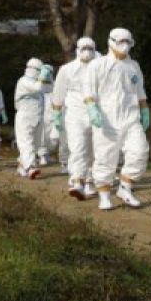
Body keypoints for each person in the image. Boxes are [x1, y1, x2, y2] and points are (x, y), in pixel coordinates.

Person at [84, 28, 149, 211]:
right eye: (121, 42)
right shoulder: (97, 65)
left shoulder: (133, 66)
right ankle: (104, 195)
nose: (125, 46)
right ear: (110, 42)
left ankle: (125, 187)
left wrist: (144, 110)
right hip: (107, 119)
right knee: (105, 157)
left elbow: (139, 91)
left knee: (140, 151)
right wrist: (92, 109)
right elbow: (89, 91)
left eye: (128, 42)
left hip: (131, 117)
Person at [53, 37, 100, 200]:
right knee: (78, 146)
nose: (86, 51)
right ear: (77, 50)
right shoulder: (67, 69)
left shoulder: (102, 66)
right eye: (83, 48)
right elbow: (58, 92)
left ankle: (91, 180)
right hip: (75, 112)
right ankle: (77, 180)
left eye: (90, 48)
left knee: (95, 148)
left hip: (97, 111)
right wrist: (57, 113)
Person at [13, 58, 46, 179]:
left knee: (35, 144)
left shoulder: (39, 82)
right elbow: (37, 88)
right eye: (39, 70)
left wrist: (48, 76)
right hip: (25, 115)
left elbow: (47, 89)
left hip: (38, 116)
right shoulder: (24, 81)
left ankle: (22, 166)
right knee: (26, 142)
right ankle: (31, 167)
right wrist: (43, 76)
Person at [37, 63, 57, 167]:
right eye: (46, 72)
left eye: (50, 72)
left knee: (54, 138)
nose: (48, 74)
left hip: (53, 114)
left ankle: (47, 152)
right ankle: (42, 155)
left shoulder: (55, 85)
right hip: (41, 114)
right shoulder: (37, 84)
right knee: (42, 136)